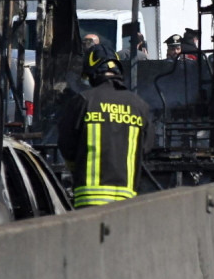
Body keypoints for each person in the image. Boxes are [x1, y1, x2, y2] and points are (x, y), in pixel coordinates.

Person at [57, 44, 153, 208]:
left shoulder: (83, 101)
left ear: (91, 74)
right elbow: (146, 148)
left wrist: (76, 169)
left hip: (89, 201)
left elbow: (66, 144)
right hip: (127, 201)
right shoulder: (139, 106)